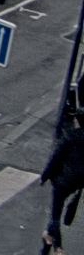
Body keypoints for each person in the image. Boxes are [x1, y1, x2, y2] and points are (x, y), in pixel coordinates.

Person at [42, 109, 84, 255]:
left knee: (55, 215)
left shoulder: (69, 137)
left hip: (62, 181)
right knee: (56, 211)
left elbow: (56, 158)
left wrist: (45, 176)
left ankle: (58, 248)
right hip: (77, 183)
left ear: (77, 121)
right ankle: (47, 234)